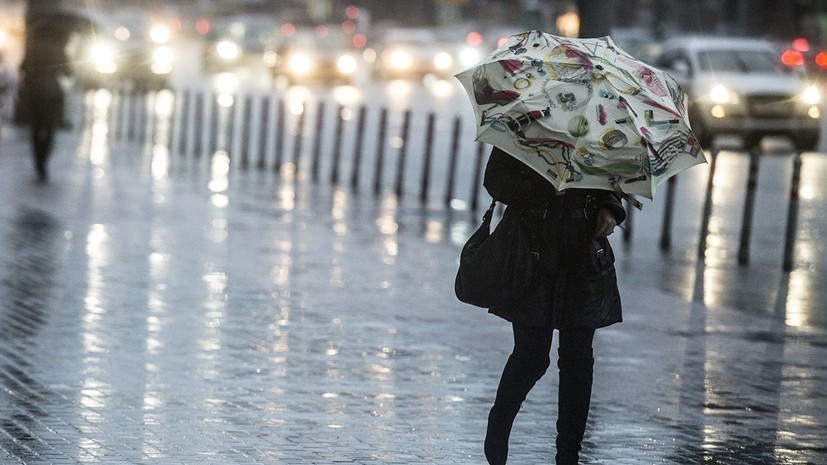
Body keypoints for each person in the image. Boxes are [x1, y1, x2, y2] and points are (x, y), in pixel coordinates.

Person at [481, 146, 626, 465]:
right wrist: (547, 191)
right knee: (532, 356)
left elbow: (611, 180)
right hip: (532, 252)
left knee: (578, 360)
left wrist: (611, 208)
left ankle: (568, 455)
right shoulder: (527, 118)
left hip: (584, 254)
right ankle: (500, 422)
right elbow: (496, 178)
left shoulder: (601, 124)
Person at [19, 25, 69, 181]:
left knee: (36, 126)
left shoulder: (34, 48)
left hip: (35, 92)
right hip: (52, 93)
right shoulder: (59, 49)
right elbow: (68, 71)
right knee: (49, 127)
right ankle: (44, 161)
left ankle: (38, 161)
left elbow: (22, 67)